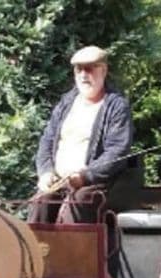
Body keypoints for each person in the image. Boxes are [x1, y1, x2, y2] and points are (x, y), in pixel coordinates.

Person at [33, 45, 134, 222]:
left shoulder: (116, 106)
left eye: (89, 69)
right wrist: (46, 172)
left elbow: (117, 151)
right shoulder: (66, 103)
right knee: (40, 202)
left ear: (103, 70)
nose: (83, 75)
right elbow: (47, 141)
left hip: (97, 183)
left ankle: (74, 250)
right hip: (59, 181)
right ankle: (36, 249)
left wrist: (85, 175)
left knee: (78, 202)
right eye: (79, 69)